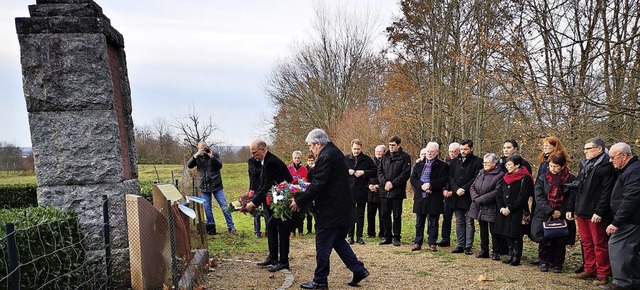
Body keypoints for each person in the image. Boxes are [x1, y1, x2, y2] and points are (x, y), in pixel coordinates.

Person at [291, 128, 369, 289]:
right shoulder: (334, 153)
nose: (310, 149)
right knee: (338, 241)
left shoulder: (327, 156)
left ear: (318, 143)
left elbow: (319, 184)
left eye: (311, 146)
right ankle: (358, 269)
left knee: (323, 245)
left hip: (331, 210)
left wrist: (299, 200)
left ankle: (320, 281)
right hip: (342, 208)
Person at [567, 138, 614, 285]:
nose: (586, 152)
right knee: (586, 242)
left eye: (589, 148)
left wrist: (600, 211)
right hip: (582, 209)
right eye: (585, 149)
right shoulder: (585, 164)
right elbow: (577, 187)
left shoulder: (607, 166)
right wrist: (571, 207)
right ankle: (589, 269)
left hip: (596, 212)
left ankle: (603, 274)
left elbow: (607, 192)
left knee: (599, 243)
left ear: (599, 149)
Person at [244, 139, 294, 272]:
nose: (254, 155)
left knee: (282, 230)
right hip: (273, 199)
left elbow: (267, 186)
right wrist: (252, 197)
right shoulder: (265, 161)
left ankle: (283, 261)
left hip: (281, 200)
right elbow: (262, 183)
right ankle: (273, 257)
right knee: (271, 226)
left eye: (255, 152)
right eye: (252, 153)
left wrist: (253, 203)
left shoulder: (271, 162)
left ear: (263, 149)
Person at [531, 153, 577, 274]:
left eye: (556, 166)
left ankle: (558, 263)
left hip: (562, 213)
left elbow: (572, 197)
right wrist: (550, 211)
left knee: (560, 239)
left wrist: (561, 212)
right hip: (544, 213)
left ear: (562, 166)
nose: (552, 169)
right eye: (551, 166)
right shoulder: (542, 178)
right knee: (544, 239)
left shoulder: (570, 179)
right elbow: (539, 197)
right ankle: (543, 261)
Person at [604, 142, 640, 290]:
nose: (610, 161)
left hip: (631, 219)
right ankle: (632, 281)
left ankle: (623, 283)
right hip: (629, 218)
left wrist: (617, 222)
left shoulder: (634, 171)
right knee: (628, 249)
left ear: (624, 155)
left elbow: (631, 198)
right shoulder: (629, 169)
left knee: (619, 246)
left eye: (613, 157)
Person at [187, 141, 236, 235]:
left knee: (224, 205)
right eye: (201, 149)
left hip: (216, 185)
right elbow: (189, 165)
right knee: (207, 208)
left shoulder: (214, 154)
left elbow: (220, 166)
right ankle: (211, 228)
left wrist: (211, 156)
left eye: (204, 148)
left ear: (207, 147)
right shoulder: (197, 158)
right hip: (204, 186)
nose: (203, 151)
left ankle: (231, 227)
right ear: (198, 149)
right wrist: (196, 155)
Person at [494, 155, 534, 266]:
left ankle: (516, 256)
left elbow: (523, 197)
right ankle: (510, 255)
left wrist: (510, 208)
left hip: (517, 210)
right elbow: (499, 194)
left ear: (517, 165)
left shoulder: (525, 178)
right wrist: (502, 207)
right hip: (504, 210)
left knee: (516, 234)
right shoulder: (505, 177)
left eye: (510, 164)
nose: (507, 167)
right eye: (506, 164)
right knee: (507, 233)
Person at [409, 143, 449, 252]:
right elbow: (413, 179)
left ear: (437, 152)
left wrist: (430, 185)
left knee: (433, 222)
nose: (429, 154)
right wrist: (422, 186)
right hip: (420, 196)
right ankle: (418, 242)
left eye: (432, 152)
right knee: (419, 222)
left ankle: (432, 243)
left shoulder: (443, 166)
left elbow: (444, 180)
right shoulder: (418, 165)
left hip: (434, 197)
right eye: (428, 151)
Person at [448, 139, 483, 255]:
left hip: (469, 195)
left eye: (465, 149)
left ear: (471, 149)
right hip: (456, 195)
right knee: (459, 221)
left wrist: (464, 188)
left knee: (469, 221)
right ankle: (460, 244)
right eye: (461, 149)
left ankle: (468, 245)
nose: (463, 151)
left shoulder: (478, 161)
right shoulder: (453, 162)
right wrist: (455, 189)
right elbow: (450, 177)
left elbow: (476, 178)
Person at [467, 153, 504, 260]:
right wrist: (475, 198)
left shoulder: (500, 175)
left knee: (494, 230)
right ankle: (484, 250)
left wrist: (482, 199)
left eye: (487, 162)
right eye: (484, 162)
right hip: (479, 206)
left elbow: (497, 191)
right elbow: (472, 186)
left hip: (491, 206)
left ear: (494, 163)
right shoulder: (481, 173)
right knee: (483, 229)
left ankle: (496, 251)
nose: (485, 164)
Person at [377, 135, 412, 246]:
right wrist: (385, 182)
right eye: (390, 145)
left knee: (397, 215)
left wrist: (393, 183)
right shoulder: (385, 157)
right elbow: (379, 172)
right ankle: (387, 236)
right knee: (384, 215)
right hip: (384, 191)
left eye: (393, 145)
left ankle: (396, 237)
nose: (391, 147)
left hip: (397, 191)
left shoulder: (405, 157)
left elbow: (405, 174)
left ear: (398, 145)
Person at [345, 139, 377, 245]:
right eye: (355, 149)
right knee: (349, 214)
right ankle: (350, 236)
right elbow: (337, 172)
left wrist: (363, 172)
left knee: (360, 215)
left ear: (361, 148)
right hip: (349, 191)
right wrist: (347, 171)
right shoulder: (345, 159)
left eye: (358, 149)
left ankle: (359, 236)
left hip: (361, 191)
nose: (356, 151)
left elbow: (375, 171)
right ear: (351, 148)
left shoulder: (367, 159)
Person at [439, 142, 460, 247]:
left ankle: (461, 240)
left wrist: (453, 191)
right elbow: (443, 178)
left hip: (457, 194)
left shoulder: (460, 164)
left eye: (454, 152)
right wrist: (444, 189)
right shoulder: (445, 163)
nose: (452, 154)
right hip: (446, 193)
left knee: (460, 219)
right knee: (446, 218)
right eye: (450, 152)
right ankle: (445, 238)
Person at [288, 150, 308, 238]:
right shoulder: (289, 168)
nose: (297, 159)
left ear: (301, 159)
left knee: (300, 213)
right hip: (291, 193)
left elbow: (306, 180)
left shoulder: (304, 169)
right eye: (295, 158)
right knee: (292, 212)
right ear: (293, 158)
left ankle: (300, 231)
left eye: (298, 158)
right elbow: (287, 180)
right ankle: (292, 231)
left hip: (300, 193)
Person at [367, 145, 385, 238]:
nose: (378, 153)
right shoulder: (370, 162)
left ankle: (382, 233)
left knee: (382, 215)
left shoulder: (386, 162)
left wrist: (378, 186)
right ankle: (370, 233)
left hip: (382, 192)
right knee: (370, 215)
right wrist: (369, 185)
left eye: (380, 151)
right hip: (371, 192)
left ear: (384, 152)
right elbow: (367, 175)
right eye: (376, 151)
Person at [248, 156, 266, 238]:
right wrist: (264, 170)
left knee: (266, 211)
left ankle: (268, 231)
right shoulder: (251, 161)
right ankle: (257, 231)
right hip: (255, 189)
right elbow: (254, 172)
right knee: (256, 211)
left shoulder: (266, 160)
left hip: (265, 188)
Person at [304, 153, 316, 234]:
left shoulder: (316, 168)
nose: (311, 162)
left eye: (312, 160)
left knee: (315, 212)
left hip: (315, 190)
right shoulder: (305, 169)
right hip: (307, 190)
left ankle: (317, 228)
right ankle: (309, 229)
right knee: (308, 212)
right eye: (309, 161)